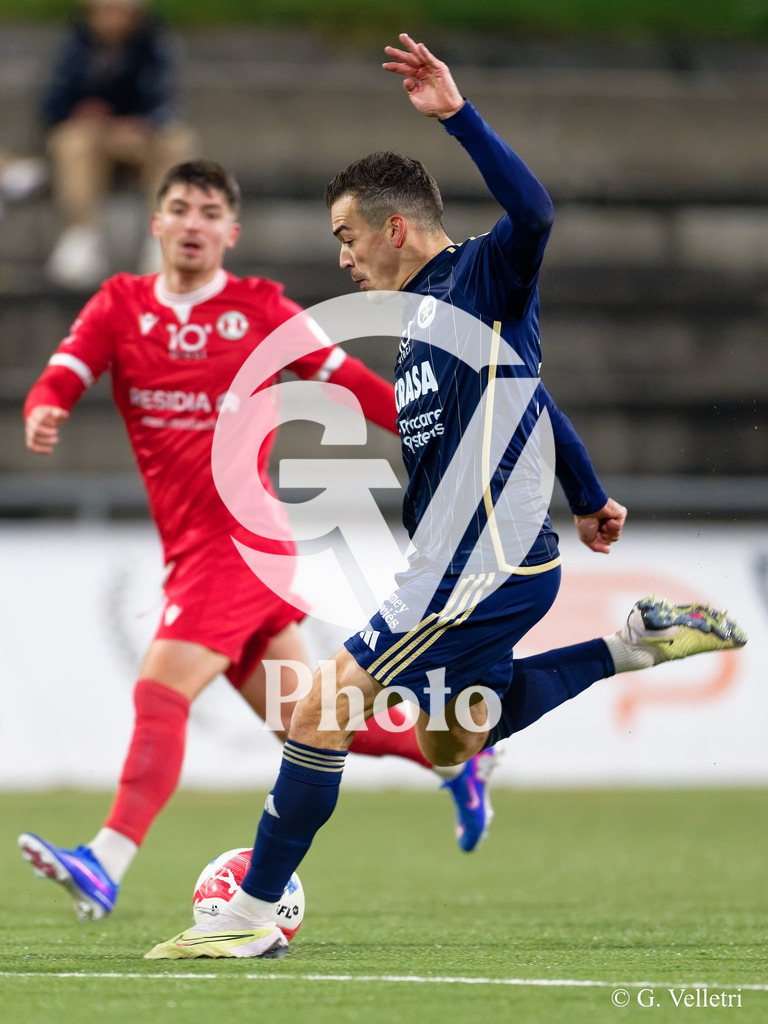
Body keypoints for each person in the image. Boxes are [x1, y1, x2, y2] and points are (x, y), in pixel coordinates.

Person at [144, 35, 747, 961]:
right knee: (448, 744)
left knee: (318, 710)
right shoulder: (419, 325)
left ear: (392, 228)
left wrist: (456, 116)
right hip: (477, 566)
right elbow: (530, 397)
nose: (341, 260)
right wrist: (587, 490)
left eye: (346, 237)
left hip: (480, 565)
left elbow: (537, 213)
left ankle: (252, 911)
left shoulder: (481, 276)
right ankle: (632, 644)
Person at [18, 157, 501, 925]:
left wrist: (435, 438)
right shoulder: (119, 305)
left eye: (210, 212)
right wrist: (44, 407)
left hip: (244, 540)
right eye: (180, 207)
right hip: (191, 550)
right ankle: (454, 763)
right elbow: (65, 373)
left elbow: (353, 382)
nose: (193, 223)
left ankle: (105, 861)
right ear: (157, 223)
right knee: (301, 719)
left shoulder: (261, 310)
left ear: (229, 233)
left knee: (161, 685)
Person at [41, 0, 198, 289]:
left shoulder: (155, 46)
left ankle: (164, 239)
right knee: (72, 141)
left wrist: (140, 124)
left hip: (139, 140)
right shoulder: (74, 47)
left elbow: (165, 102)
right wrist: (87, 117)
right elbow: (53, 106)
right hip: (92, 139)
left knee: (176, 141)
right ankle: (81, 237)